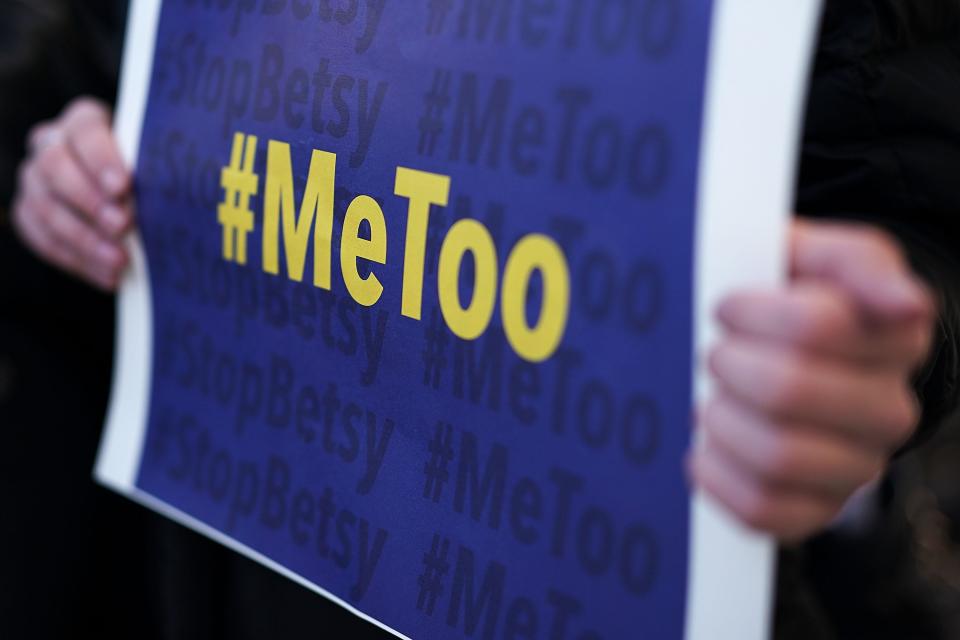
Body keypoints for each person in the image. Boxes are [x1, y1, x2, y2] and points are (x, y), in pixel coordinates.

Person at [4, 0, 960, 638]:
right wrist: (71, 168)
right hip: (224, 556)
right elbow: (102, 58)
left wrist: (867, 356)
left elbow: (906, 194)